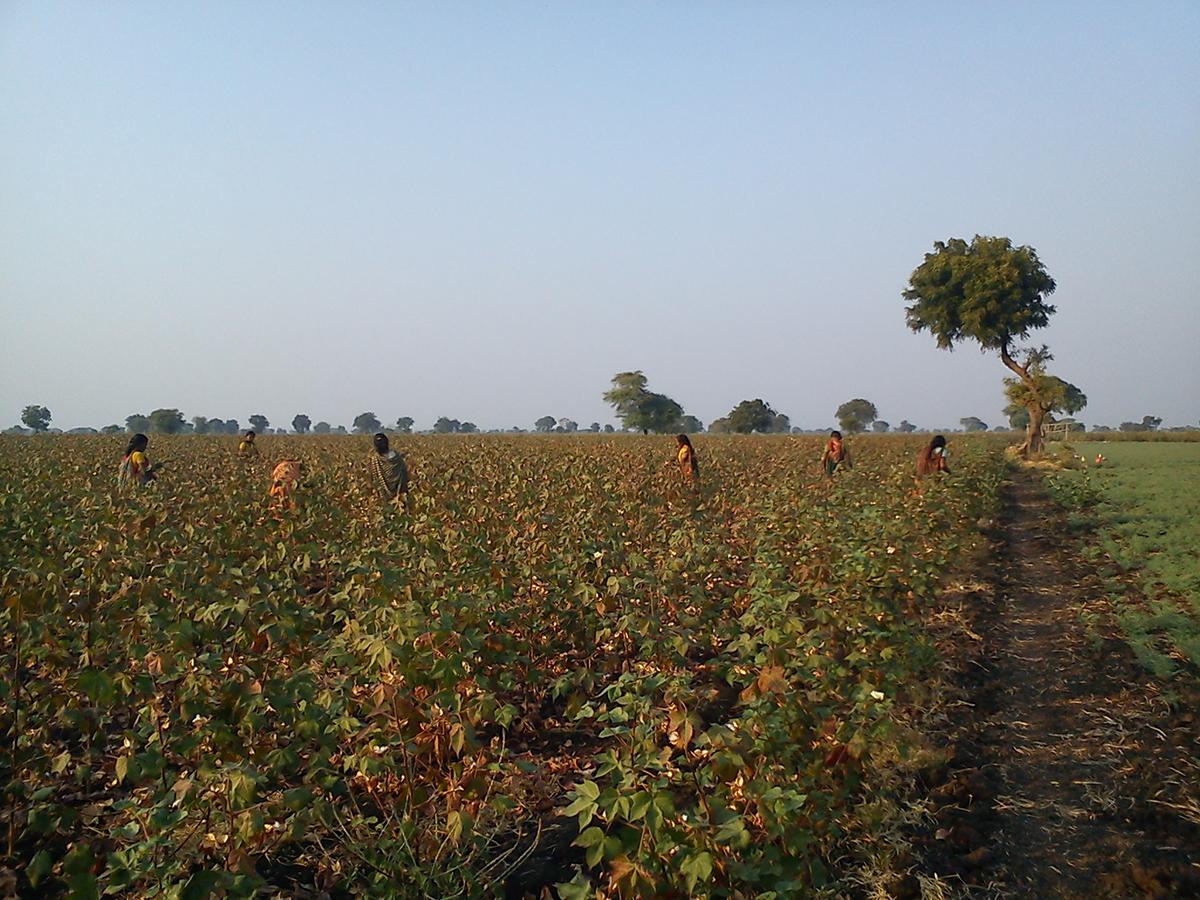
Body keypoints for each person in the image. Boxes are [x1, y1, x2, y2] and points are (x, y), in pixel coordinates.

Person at [369, 433, 410, 506]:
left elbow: (373, 477)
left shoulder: (375, 459)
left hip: (386, 492)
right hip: (399, 490)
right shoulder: (396, 456)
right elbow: (404, 474)